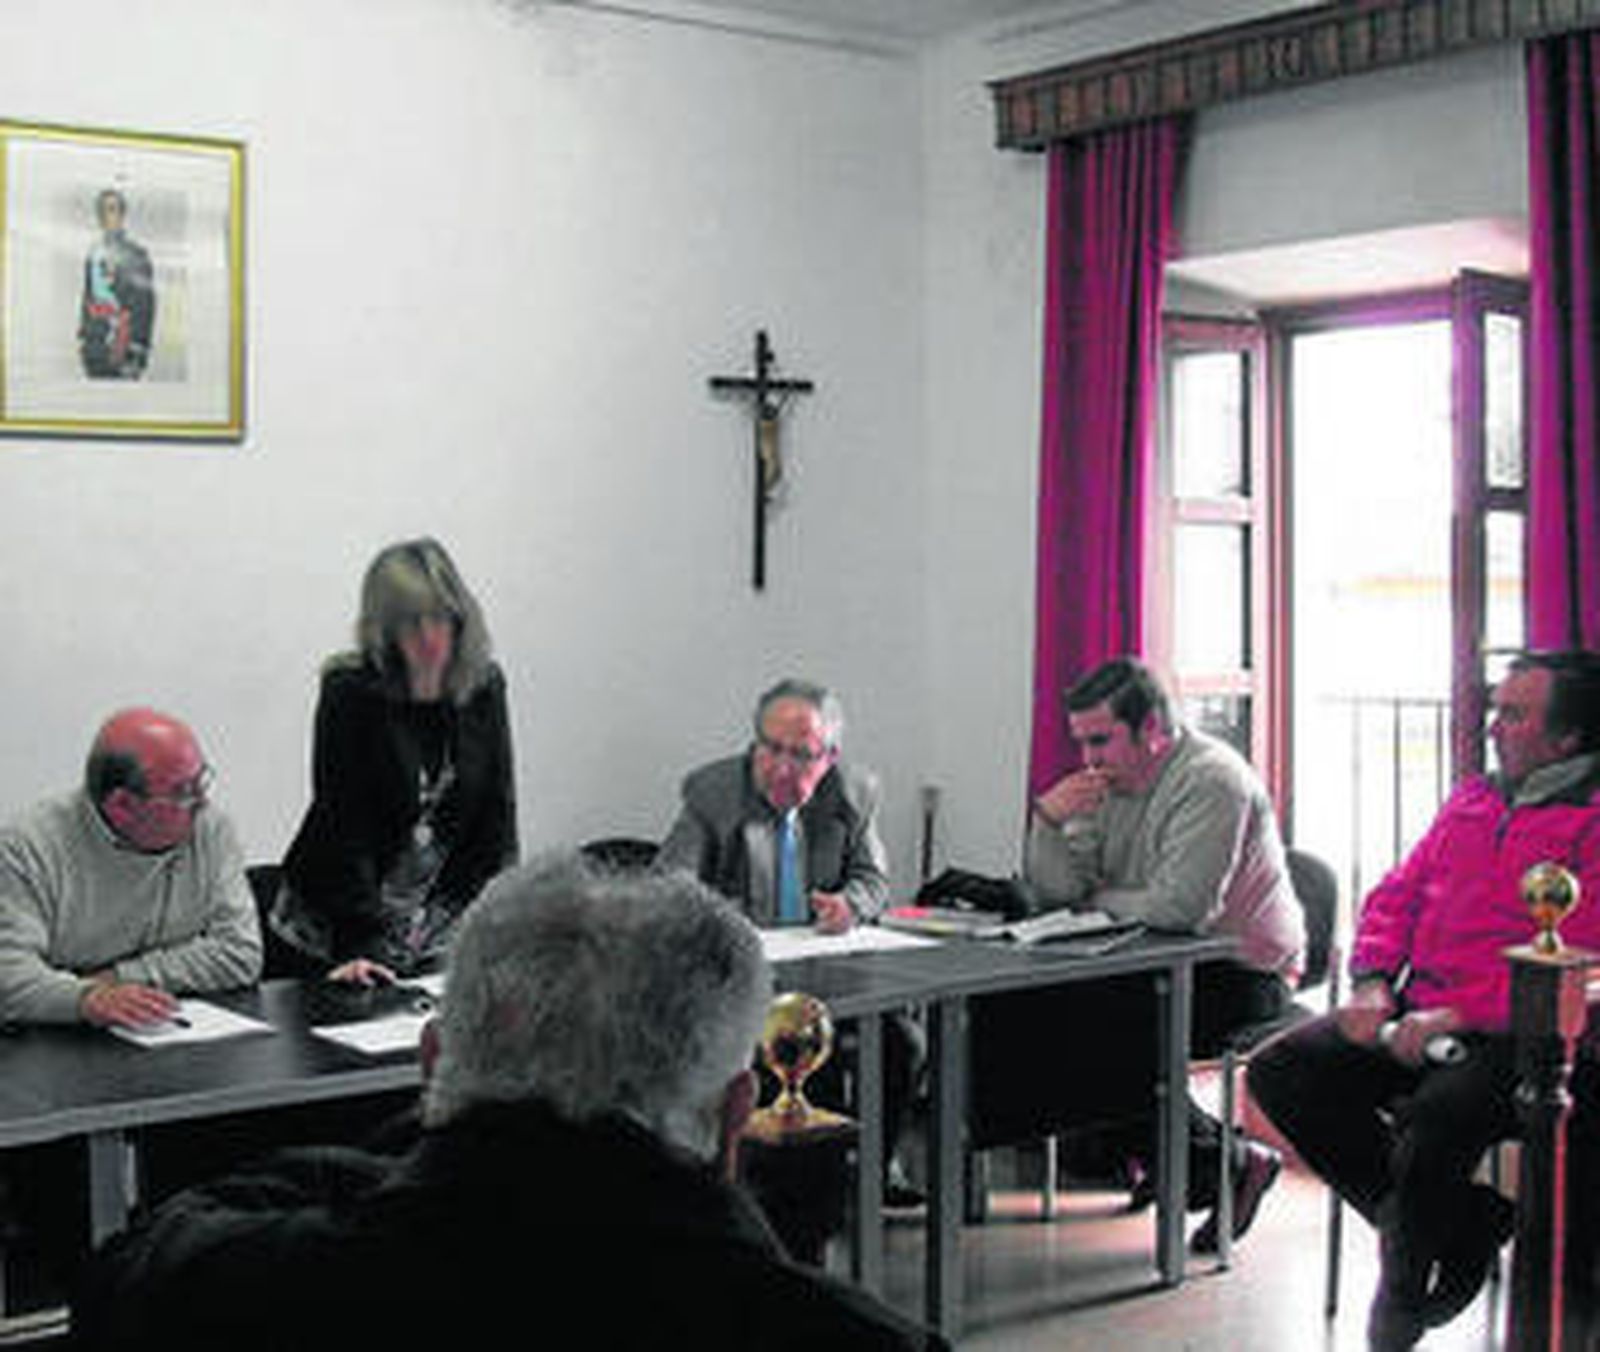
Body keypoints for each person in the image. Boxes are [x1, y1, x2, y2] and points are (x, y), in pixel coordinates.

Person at [72, 854, 950, 1351]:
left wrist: (429, 1135)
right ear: (735, 1117)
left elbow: (136, 1260)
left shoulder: (228, 1296)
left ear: (433, 1066)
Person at [1248, 650, 1600, 1351]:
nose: (1493, 725)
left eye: (1513, 714)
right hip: (1415, 1012)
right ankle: (1463, 1227)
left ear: (1567, 739)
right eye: (1497, 708)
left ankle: (1398, 1311)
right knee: (1283, 1071)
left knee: (1432, 1122)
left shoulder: (1591, 822)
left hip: (1524, 1035)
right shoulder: (1472, 799)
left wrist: (1460, 1013)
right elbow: (1397, 895)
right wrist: (1374, 980)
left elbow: (1578, 952)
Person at [981, 655, 1304, 1252]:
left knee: (1105, 1032)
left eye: (1101, 740)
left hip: (1242, 970)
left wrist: (1100, 900)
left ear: (1151, 726)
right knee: (1028, 1015)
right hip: (1145, 959)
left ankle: (1229, 1163)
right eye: (1081, 742)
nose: (1089, 759)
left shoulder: (1212, 780)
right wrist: (1048, 820)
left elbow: (1181, 910)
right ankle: (1173, 1155)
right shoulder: (1107, 786)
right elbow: (1058, 891)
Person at [657, 678, 924, 1216]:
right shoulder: (711, 795)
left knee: (903, 1044)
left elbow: (875, 882)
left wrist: (849, 904)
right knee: (785, 1058)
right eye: (770, 748)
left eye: (800, 755)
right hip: (741, 986)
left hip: (829, 980)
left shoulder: (855, 793)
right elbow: (670, 889)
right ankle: (782, 1193)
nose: (782, 767)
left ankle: (868, 1177)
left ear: (829, 757)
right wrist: (725, 921)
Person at [268, 538, 518, 979]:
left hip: (431, 915)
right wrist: (362, 942)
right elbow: (342, 823)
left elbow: (495, 818)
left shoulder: (483, 686)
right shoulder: (350, 690)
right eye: (411, 623)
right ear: (384, 629)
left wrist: (497, 924)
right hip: (338, 918)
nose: (428, 637)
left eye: (440, 618)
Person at [0, 707, 261, 1027]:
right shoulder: (26, 848)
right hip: (54, 1044)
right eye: (183, 792)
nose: (202, 802)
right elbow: (9, 975)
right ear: (122, 805)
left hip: (171, 1035)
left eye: (201, 781)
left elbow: (240, 953)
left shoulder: (210, 829)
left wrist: (116, 979)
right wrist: (85, 999)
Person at [78, 187, 156, 380]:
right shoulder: (93, 255)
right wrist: (85, 340)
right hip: (96, 351)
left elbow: (145, 307)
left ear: (122, 215)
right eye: (102, 211)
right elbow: (88, 301)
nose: (107, 216)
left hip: (124, 346)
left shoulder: (137, 255)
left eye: (112, 209)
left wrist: (137, 350)